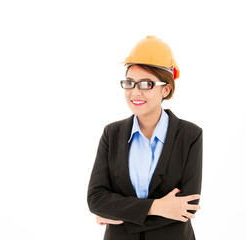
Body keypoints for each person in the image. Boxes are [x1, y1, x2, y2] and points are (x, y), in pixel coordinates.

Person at [87, 36, 203, 240]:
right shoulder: (111, 134)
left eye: (146, 84)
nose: (135, 92)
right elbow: (96, 200)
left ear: (165, 89)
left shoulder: (190, 135)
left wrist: (118, 210)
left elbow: (186, 207)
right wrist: (156, 206)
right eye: (129, 83)